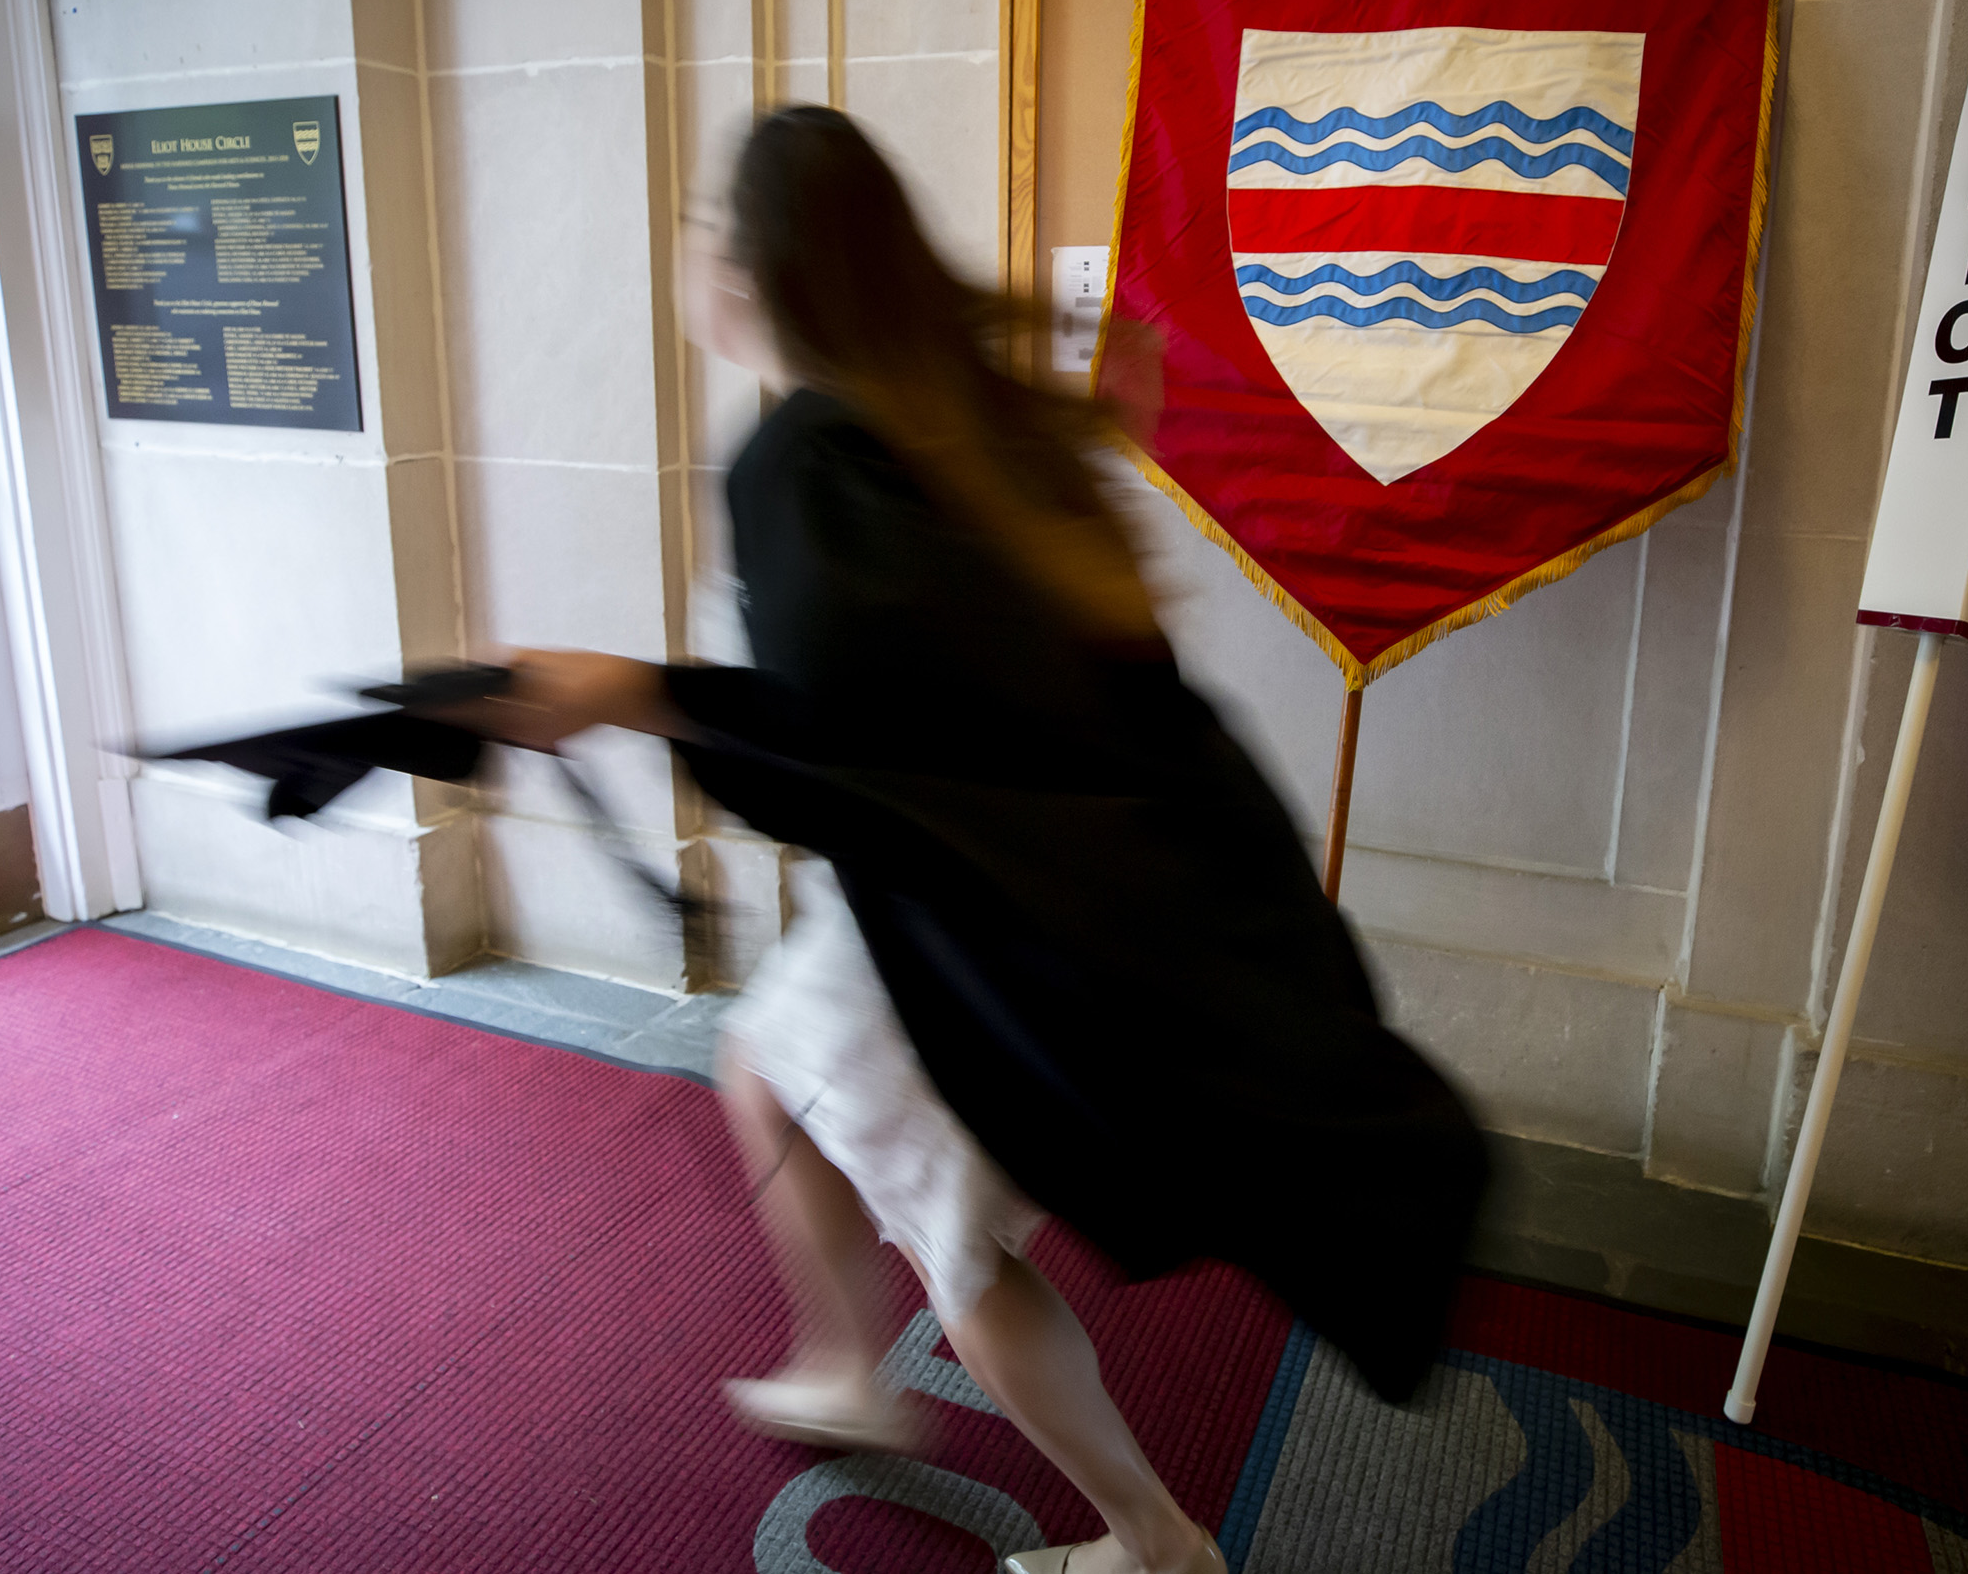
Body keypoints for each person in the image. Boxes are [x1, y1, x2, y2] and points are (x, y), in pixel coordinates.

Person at [455, 107, 1488, 1574]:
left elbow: (838, 748)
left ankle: (1155, 1537)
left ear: (753, 271)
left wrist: (625, 694)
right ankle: (844, 1365)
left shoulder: (809, 458)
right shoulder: (943, 410)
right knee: (762, 1069)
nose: (694, 252)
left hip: (939, 914)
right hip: (971, 888)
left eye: (707, 224)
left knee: (957, 1249)